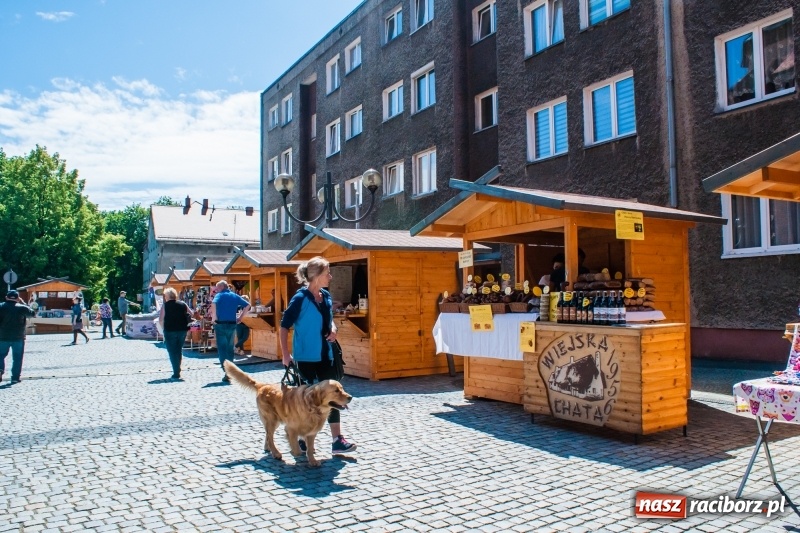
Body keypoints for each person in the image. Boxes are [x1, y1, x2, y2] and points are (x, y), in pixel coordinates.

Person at [280, 256, 357, 455]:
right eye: (327, 273)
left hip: (327, 355)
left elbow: (329, 320)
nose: (330, 277)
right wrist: (286, 354)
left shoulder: (326, 296)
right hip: (305, 357)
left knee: (332, 395)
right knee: (306, 398)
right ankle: (302, 437)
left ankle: (337, 440)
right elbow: (284, 325)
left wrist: (333, 329)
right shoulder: (300, 299)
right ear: (315, 276)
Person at [211, 280, 251, 382]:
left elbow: (213, 303)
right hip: (232, 324)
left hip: (220, 324)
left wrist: (214, 317)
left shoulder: (219, 295)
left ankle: (227, 372)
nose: (216, 290)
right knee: (229, 348)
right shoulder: (234, 295)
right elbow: (247, 305)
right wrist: (241, 318)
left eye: (217, 288)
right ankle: (230, 372)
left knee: (222, 348)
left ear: (221, 287)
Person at [159, 287, 194, 380]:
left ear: (167, 296)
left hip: (170, 330)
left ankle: (176, 372)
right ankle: (177, 369)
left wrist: (163, 328)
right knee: (178, 350)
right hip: (182, 330)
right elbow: (192, 314)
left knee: (172, 351)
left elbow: (161, 319)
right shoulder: (183, 304)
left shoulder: (165, 305)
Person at [0, 290, 35, 384]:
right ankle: (15, 377)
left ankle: (0, 370)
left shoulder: (1, 306)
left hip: (2, 337)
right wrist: (23, 302)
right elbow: (32, 314)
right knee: (17, 358)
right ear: (17, 298)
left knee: (0, 356)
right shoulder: (22, 308)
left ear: (6, 297)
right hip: (18, 337)